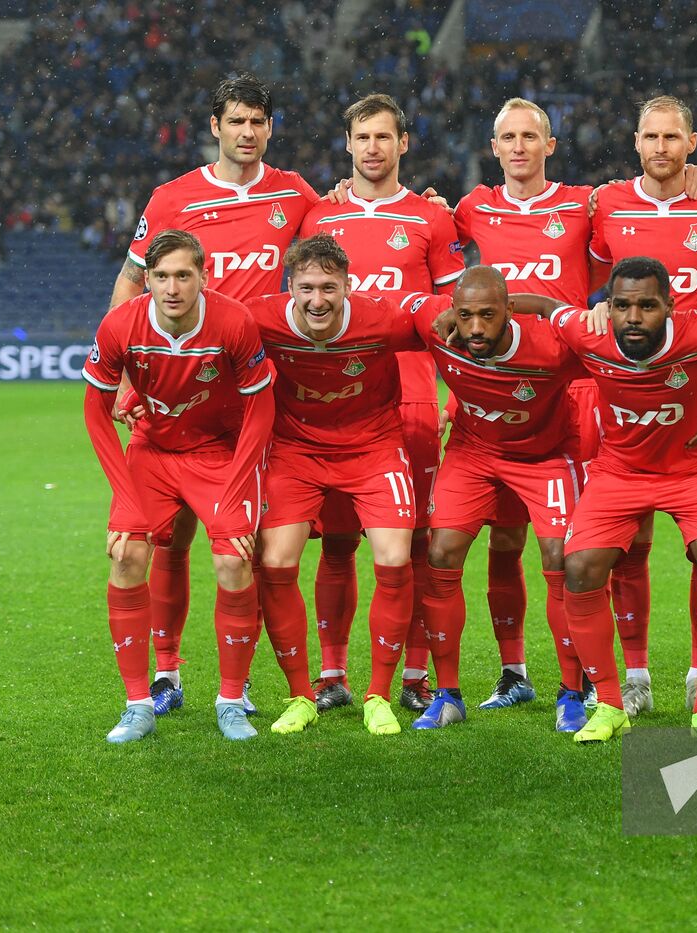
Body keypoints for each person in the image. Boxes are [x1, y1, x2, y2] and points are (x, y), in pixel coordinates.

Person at [112, 73, 318, 717]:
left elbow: (340, 232)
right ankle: (167, 673)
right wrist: (125, 373)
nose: (247, 133)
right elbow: (129, 280)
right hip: (177, 390)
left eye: (258, 122)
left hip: (256, 395)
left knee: (244, 547)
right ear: (215, 127)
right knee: (166, 539)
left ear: (270, 129)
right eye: (236, 122)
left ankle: (240, 684)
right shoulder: (174, 198)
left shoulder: (295, 193)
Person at [540, 257, 697, 745]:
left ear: (670, 307)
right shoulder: (590, 335)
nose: (633, 317)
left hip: (694, 470)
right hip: (620, 471)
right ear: (608, 307)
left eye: (647, 305)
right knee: (579, 566)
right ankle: (609, 704)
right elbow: (544, 306)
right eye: (622, 305)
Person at [298, 93, 464, 714]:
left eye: (383, 137)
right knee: (337, 544)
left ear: (403, 145)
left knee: (414, 542)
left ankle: (415, 674)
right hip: (335, 402)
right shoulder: (319, 218)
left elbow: (451, 319)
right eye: (362, 137)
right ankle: (333, 673)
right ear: (348, 144)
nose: (372, 147)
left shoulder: (432, 219)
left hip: (412, 397)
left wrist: (459, 395)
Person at [587, 95, 697, 718]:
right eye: (650, 136)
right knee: (628, 544)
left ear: (693, 142)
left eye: (672, 137)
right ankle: (634, 674)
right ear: (635, 142)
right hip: (626, 393)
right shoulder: (605, 205)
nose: (660, 147)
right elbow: (589, 283)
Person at [82, 230, 275, 743]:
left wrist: (235, 491)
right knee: (126, 553)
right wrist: (124, 496)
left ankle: (232, 700)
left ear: (203, 278)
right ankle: (138, 703)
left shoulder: (233, 321)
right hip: (154, 450)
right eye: (162, 276)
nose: (172, 288)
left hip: (219, 452)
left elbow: (261, 408)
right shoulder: (121, 324)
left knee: (233, 559)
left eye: (183, 276)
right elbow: (95, 412)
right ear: (146, 281)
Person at [247, 235, 430, 736]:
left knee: (394, 558)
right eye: (306, 288)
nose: (317, 300)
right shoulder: (259, 317)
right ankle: (301, 695)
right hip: (296, 451)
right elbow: (203, 335)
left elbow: (442, 314)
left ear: (347, 285)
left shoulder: (382, 317)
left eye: (329, 287)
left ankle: (379, 695)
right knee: (276, 562)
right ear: (290, 287)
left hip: (373, 447)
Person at [450, 98, 599, 711]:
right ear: (494, 147)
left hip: (565, 394)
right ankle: (514, 672)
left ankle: (584, 675)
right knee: (503, 543)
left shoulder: (585, 205)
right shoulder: (470, 210)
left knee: (572, 550)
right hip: (491, 398)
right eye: (507, 137)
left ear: (550, 146)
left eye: (529, 137)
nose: (518, 147)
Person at [405, 266, 591, 731]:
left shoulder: (551, 347)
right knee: (441, 551)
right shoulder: (442, 330)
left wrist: (548, 306)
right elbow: (388, 308)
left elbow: (618, 357)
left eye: (487, 316)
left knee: (559, 558)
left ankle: (573, 692)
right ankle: (448, 695)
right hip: (474, 451)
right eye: (465, 315)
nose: (474, 328)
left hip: (545, 455)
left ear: (510, 311)